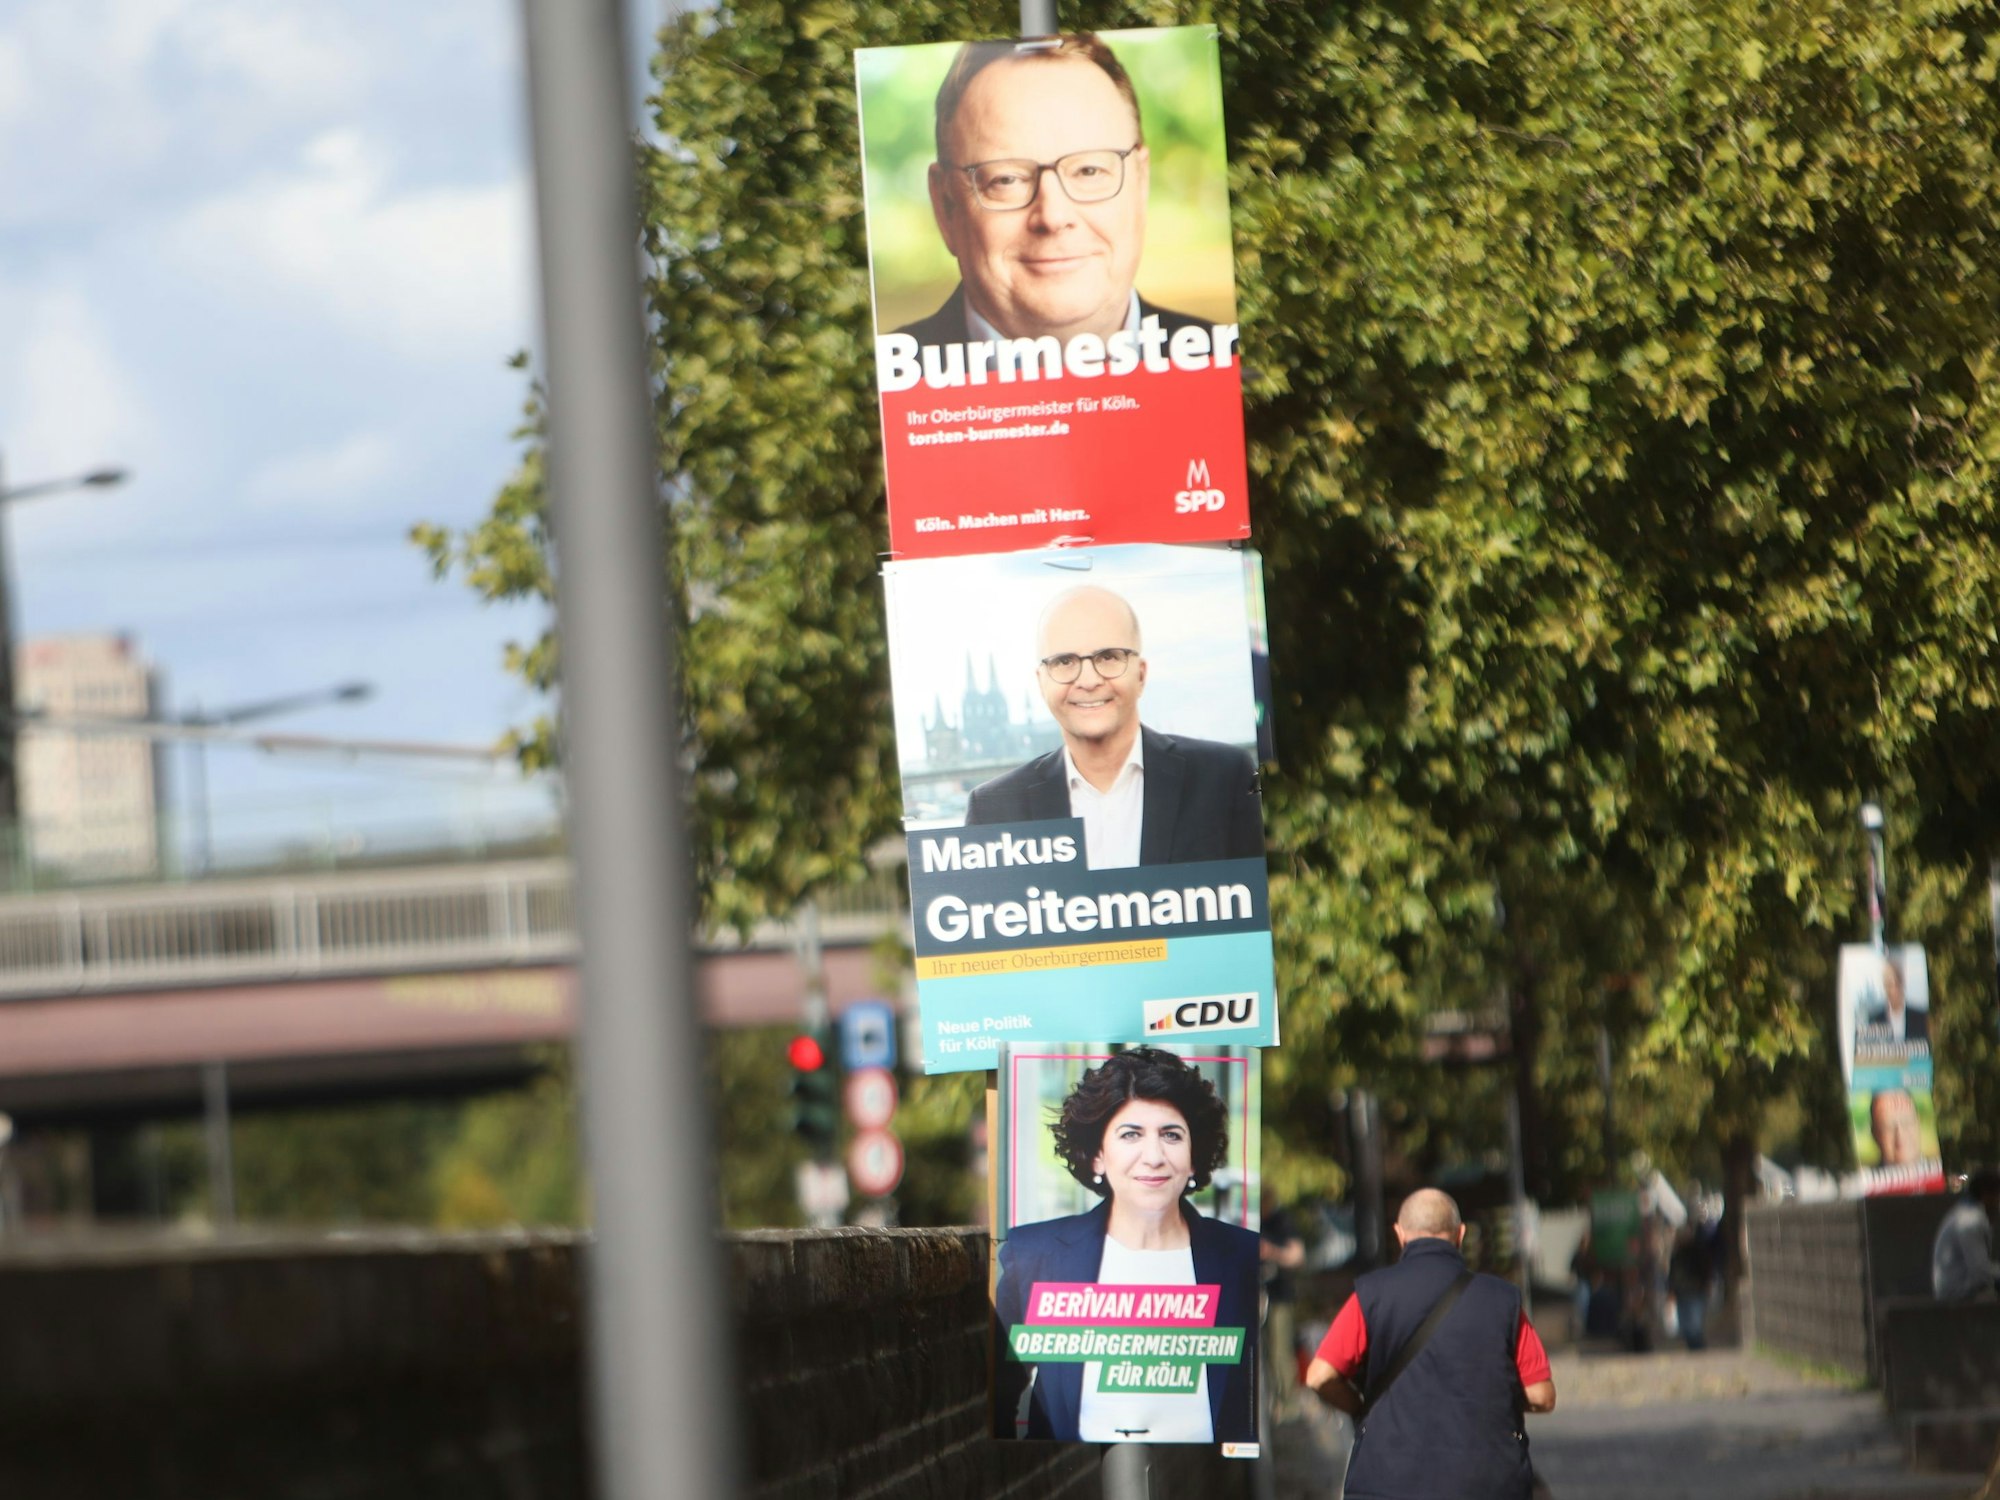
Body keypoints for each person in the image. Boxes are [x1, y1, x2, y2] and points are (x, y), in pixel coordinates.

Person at [992, 1047, 1260, 1442]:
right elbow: (994, 1401)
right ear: (1098, 1155)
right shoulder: (1036, 1258)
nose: (1153, 1157)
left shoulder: (1242, 1259)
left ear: (1193, 1156)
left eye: (1171, 1135)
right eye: (1131, 1134)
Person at [901, 33, 1204, 351]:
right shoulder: (877, 388)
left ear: (1141, 183)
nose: (1054, 217)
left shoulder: (1231, 365)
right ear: (945, 206)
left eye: (1089, 171)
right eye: (1006, 180)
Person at [963, 584, 1263, 867]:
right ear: (1041, 683)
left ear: (1141, 674)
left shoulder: (1225, 777)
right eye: (1064, 661)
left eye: (1108, 657)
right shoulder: (993, 809)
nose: (1089, 681)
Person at [1305, 1188, 1555, 1500]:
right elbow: (1542, 1395)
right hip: (1486, 1481)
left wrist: (1361, 1409)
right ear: (1460, 1234)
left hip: (1388, 1480)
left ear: (1399, 1235)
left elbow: (1319, 1376)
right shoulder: (1502, 1300)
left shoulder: (1370, 1296)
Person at [1259, 1186, 1307, 1420]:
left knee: (1281, 1351)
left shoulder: (1280, 1221)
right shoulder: (1247, 1221)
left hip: (1278, 1297)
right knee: (1262, 1353)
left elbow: (1297, 1255)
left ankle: (1288, 1405)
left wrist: (1272, 1252)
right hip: (1253, 1298)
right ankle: (1271, 1403)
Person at [1932, 1168, 2000, 1303]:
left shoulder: (1965, 1213)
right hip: (1957, 1294)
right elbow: (1981, 1273)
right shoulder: (1971, 1221)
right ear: (1987, 1195)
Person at [1860, 954, 1928, 1044]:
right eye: (1888, 985)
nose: (1891, 990)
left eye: (1894, 983)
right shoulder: (1874, 1020)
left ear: (1902, 983)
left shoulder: (1920, 1018)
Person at [1870, 1087, 1923, 1167]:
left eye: (1906, 1122)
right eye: (1889, 1127)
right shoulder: (1865, 1178)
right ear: (1874, 1133)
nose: (1900, 1135)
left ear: (1918, 1123)